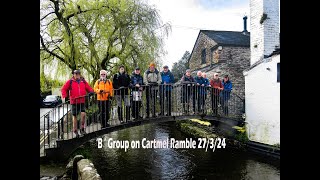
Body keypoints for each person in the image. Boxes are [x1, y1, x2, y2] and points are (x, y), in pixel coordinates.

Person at [61, 69, 94, 138]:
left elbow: (88, 88)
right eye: (76, 74)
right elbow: (63, 89)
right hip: (74, 102)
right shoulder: (70, 82)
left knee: (83, 114)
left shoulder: (83, 81)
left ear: (80, 74)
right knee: (75, 117)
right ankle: (75, 130)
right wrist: (65, 95)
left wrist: (91, 91)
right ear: (73, 74)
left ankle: (82, 128)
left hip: (82, 101)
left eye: (78, 73)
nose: (77, 75)